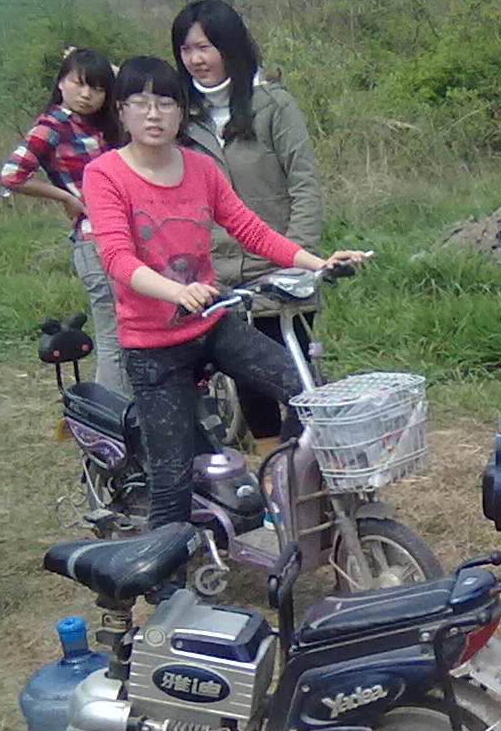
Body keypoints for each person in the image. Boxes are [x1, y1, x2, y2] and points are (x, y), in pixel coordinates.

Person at [82, 57, 366, 530]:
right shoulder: (105, 173)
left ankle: (281, 492)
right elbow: (117, 258)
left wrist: (318, 263)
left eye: (166, 103)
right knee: (172, 477)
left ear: (182, 111)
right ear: (121, 110)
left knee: (308, 392)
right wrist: (177, 291)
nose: (154, 114)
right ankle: (169, 569)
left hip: (212, 324)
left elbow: (250, 230)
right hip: (153, 346)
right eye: (141, 103)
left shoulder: (201, 168)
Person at [172, 0, 323, 445]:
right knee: (247, 377)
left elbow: (304, 184)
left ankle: (304, 465)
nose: (196, 59)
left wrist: (298, 258)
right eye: (186, 49)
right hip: (216, 273)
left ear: (231, 46)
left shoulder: (273, 106)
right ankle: (270, 467)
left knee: (297, 376)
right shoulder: (179, 114)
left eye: (206, 47)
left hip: (278, 266)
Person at [0, 48, 127, 394]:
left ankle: (130, 410)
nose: (86, 95)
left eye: (97, 88)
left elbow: (139, 93)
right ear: (60, 83)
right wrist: (66, 197)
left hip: (123, 235)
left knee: (133, 332)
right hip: (94, 240)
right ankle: (113, 416)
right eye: (77, 83)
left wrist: (111, 70)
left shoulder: (101, 124)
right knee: (114, 337)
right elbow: (12, 175)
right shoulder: (53, 124)